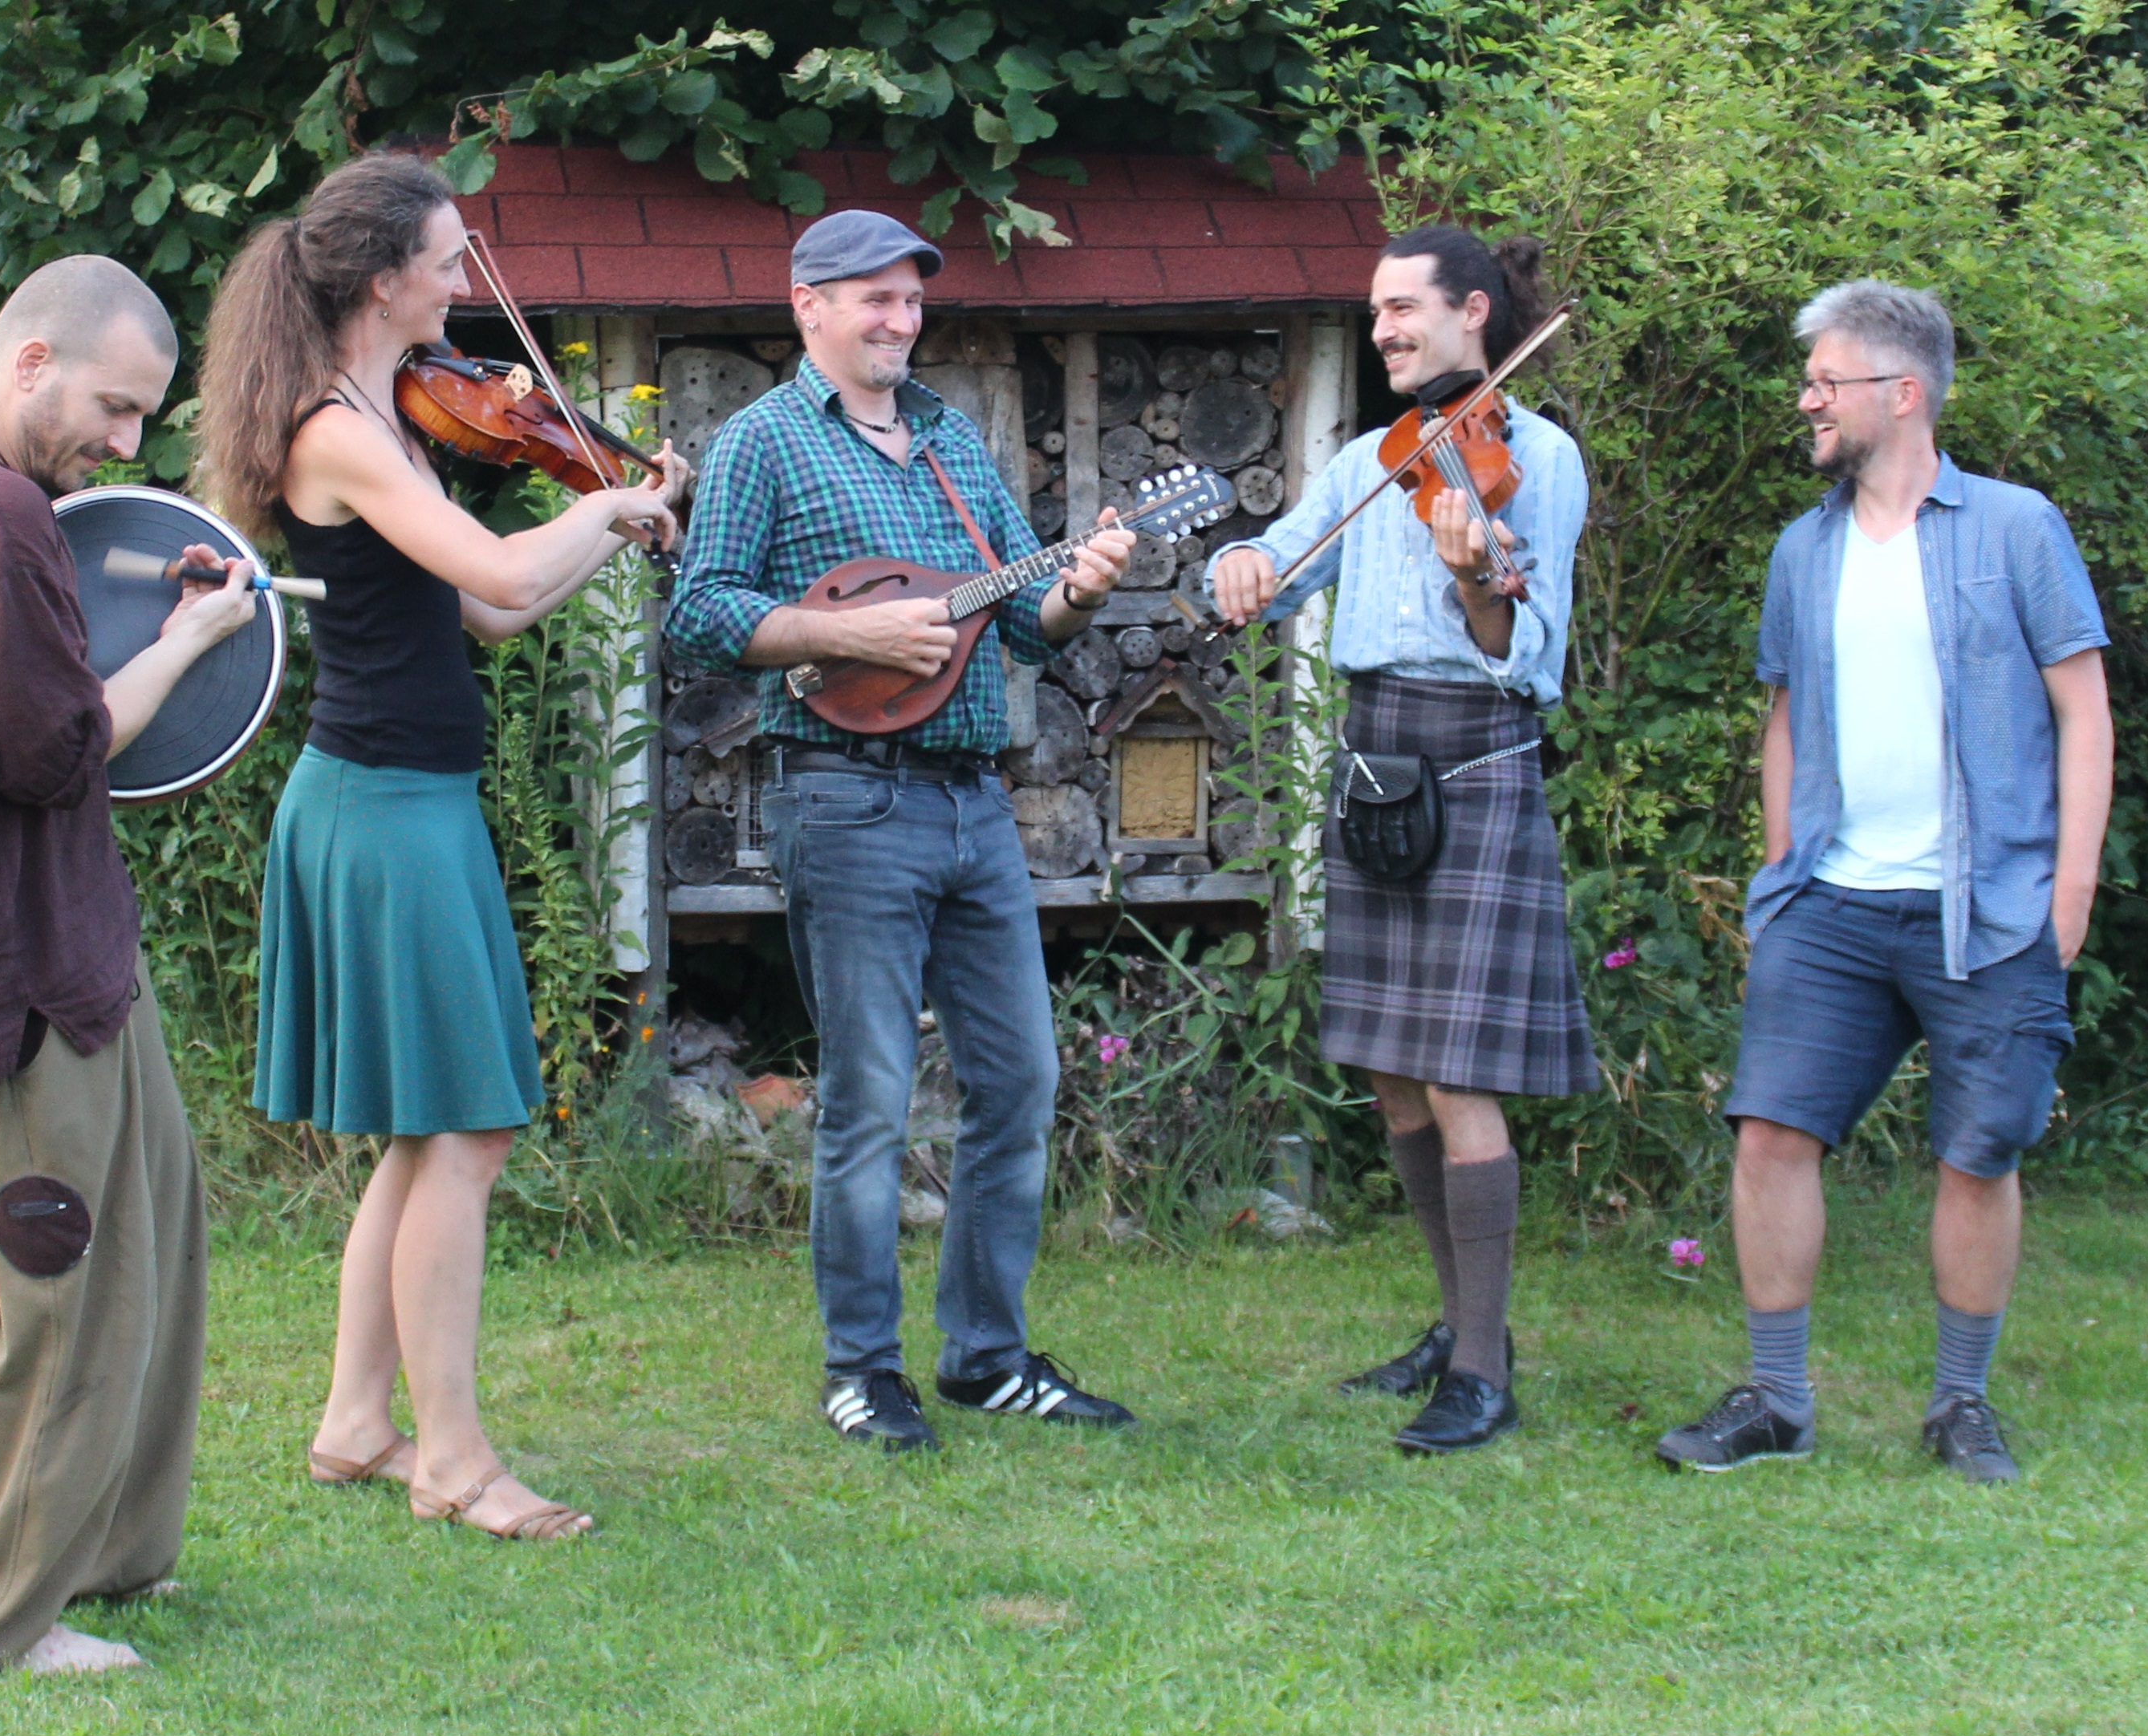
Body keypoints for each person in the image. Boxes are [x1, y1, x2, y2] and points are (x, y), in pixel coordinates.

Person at [191, 152, 684, 1540]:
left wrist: (617, 509)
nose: (466, 283)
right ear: (381, 276)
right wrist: (594, 508)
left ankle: (359, 1421)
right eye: (449, 259)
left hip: (403, 801)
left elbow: (493, 614)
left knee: (425, 1138)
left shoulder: (378, 415)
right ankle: (455, 1460)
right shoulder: (334, 429)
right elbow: (511, 573)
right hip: (384, 812)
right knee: (468, 1131)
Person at [0, 255, 260, 1672]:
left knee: (155, 1234)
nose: (128, 446)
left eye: (144, 420)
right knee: (61, 1284)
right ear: (30, 359)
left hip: (49, 949)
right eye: (115, 406)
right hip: (10, 972)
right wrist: (198, 632)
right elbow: (58, 747)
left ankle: (105, 1547)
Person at [662, 209, 1138, 1453]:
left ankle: (985, 1353)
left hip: (974, 798)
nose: (898, 319)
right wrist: (843, 635)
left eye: (910, 299)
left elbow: (1027, 624)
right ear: (807, 304)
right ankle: (860, 1366)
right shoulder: (763, 443)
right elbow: (701, 614)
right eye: (871, 298)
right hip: (846, 794)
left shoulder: (947, 443)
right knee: (870, 1094)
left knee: (1021, 1077)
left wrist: (1077, 587)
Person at [1654, 279, 2113, 1485]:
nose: (1804, 398)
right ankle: (1777, 1397)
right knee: (1769, 1136)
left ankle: (1959, 1404)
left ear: (1899, 394)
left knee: (1978, 1153)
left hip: (1992, 905)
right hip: (1832, 903)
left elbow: (2083, 710)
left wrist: (2067, 893)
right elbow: (1785, 716)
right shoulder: (1799, 550)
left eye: (1824, 379)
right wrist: (1776, 874)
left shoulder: (2016, 528)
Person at [1212, 225, 1595, 1457]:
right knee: (1390, 1066)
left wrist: (1477, 576)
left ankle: (1482, 1372)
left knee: (1455, 1071)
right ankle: (1454, 1324)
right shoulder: (1367, 458)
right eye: (1373, 313)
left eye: (1400, 309)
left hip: (1474, 755)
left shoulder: (1536, 460)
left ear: (1473, 312)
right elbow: (1280, 552)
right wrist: (1239, 568)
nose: (1381, 329)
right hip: (1375, 758)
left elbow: (1524, 652)